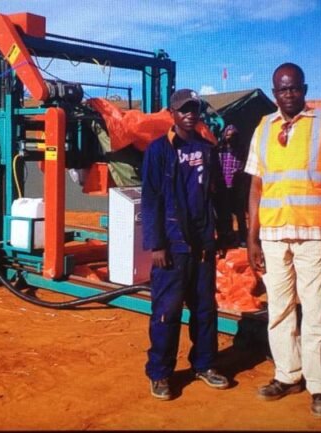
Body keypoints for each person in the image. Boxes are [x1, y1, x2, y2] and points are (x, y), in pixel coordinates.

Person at [245, 63, 321, 420]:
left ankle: (319, 386)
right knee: (279, 312)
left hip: (313, 236)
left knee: (316, 312)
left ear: (304, 89)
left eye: (294, 88)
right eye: (281, 89)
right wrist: (252, 236)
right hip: (273, 236)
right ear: (274, 92)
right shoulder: (263, 128)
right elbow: (257, 186)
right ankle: (287, 375)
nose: (288, 94)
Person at [141, 88, 229, 401]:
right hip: (172, 248)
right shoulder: (158, 151)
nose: (190, 114)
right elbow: (151, 200)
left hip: (203, 245)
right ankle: (161, 373)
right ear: (173, 113)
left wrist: (223, 233)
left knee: (205, 310)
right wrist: (157, 244)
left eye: (194, 109)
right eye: (184, 109)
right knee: (167, 312)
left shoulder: (207, 149)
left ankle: (204, 364)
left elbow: (218, 195)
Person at [215, 124, 250, 253]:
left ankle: (243, 238)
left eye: (233, 135)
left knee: (240, 214)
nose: (230, 138)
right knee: (225, 215)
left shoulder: (241, 150)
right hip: (224, 187)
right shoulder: (220, 150)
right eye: (228, 135)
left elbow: (245, 166)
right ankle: (229, 238)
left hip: (237, 186)